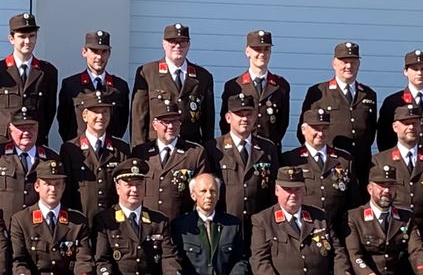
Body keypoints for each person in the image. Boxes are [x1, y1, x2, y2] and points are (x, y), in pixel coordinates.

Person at [204, 93, 278, 242]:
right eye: (239, 114)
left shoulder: (267, 148)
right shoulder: (214, 148)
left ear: (255, 116)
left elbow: (273, 189)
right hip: (225, 224)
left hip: (258, 226)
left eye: (249, 114)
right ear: (228, 118)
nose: (245, 119)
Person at [299, 41, 378, 180]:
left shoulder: (369, 94)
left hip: (361, 166)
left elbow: (371, 131)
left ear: (358, 64)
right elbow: (304, 132)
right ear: (334, 64)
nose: (348, 66)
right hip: (332, 166)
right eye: (344, 61)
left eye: (353, 61)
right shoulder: (319, 93)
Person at [130, 23, 215, 146]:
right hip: (155, 150)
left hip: (189, 150)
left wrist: (207, 150)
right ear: (163, 44)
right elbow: (138, 118)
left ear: (189, 44)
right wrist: (139, 150)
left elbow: (208, 122)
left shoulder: (203, 77)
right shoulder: (147, 73)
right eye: (172, 42)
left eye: (183, 42)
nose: (178, 46)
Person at [0, 13, 58, 146]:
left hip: (34, 141)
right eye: (22, 37)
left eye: (32, 36)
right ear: (11, 38)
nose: (27, 41)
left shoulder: (48, 72)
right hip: (4, 142)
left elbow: (49, 111)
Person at [280, 108, 360, 230]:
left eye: (324, 128)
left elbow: (353, 201)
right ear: (303, 130)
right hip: (304, 229)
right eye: (316, 128)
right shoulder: (291, 159)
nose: (321, 133)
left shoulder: (344, 159)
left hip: (337, 228)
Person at [132, 96, 208, 220]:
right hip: (147, 224)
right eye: (165, 122)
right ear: (155, 125)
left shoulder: (194, 153)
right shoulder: (141, 153)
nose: (171, 126)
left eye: (175, 121)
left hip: (182, 224)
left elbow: (201, 192)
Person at [59, 90, 130, 221]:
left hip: (112, 224)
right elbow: (66, 191)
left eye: (105, 112)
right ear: (85, 116)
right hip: (81, 221)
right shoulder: (70, 149)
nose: (101, 117)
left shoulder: (121, 149)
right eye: (96, 112)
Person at [0, 106, 59, 221]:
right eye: (21, 128)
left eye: (31, 127)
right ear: (10, 130)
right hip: (5, 226)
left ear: (38, 128)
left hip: (38, 229)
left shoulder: (51, 158)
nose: (26, 132)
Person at [370, 103, 423, 221]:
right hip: (394, 228)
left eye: (414, 123)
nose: (411, 127)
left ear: (420, 127)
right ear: (395, 127)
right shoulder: (379, 160)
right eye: (406, 123)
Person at [220, 30, 291, 147]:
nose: (262, 54)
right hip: (241, 148)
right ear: (247, 52)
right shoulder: (234, 86)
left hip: (269, 151)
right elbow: (225, 123)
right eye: (257, 49)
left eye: (266, 49)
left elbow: (283, 123)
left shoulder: (281, 86)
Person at [57, 31, 129, 142]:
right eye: (94, 51)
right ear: (84, 52)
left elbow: (122, 123)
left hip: (111, 151)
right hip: (79, 152)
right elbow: (64, 123)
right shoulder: (71, 85)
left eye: (104, 51)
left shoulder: (120, 87)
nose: (99, 57)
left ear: (109, 53)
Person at [376, 49, 423, 154]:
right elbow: (383, 137)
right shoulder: (393, 102)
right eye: (415, 69)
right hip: (399, 163)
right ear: (405, 71)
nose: (419, 73)